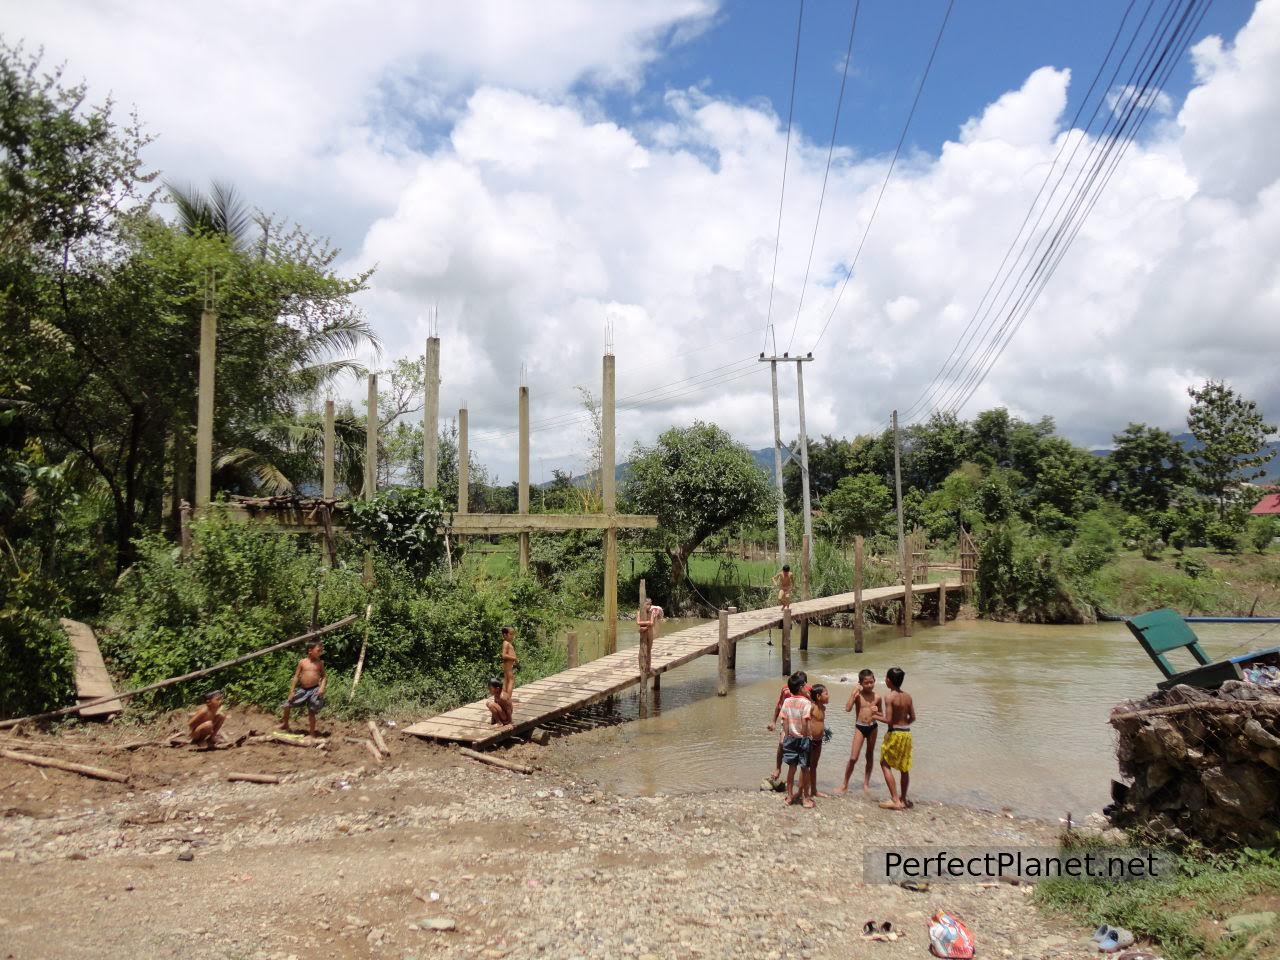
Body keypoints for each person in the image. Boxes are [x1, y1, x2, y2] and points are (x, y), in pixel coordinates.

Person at [839, 669, 883, 795]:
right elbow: (847, 709)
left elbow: (882, 714)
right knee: (853, 758)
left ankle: (866, 784)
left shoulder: (878, 697)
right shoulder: (858, 696)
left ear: (874, 681)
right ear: (860, 683)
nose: (869, 685)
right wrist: (853, 694)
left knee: (869, 755)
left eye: (871, 682)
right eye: (866, 683)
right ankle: (845, 784)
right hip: (860, 727)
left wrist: (876, 711)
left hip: (873, 727)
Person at [877, 666, 916, 810]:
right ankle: (903, 799)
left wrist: (874, 715)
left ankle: (895, 799)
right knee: (904, 768)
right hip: (907, 733)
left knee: (884, 764)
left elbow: (888, 720)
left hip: (894, 733)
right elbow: (912, 717)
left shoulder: (889, 697)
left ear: (888, 680)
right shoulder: (908, 696)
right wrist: (903, 725)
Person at [778, 672, 814, 808]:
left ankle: (789, 796)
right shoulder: (806, 703)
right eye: (805, 685)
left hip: (790, 738)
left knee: (791, 769)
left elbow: (785, 720)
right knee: (805, 769)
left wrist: (787, 736)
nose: (807, 687)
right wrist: (807, 736)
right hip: (803, 739)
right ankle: (806, 798)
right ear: (801, 687)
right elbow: (806, 722)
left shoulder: (787, 701)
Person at [767, 670, 809, 783]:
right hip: (788, 720)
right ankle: (778, 768)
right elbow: (779, 705)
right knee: (782, 743)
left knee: (804, 748)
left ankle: (803, 777)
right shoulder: (786, 689)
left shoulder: (808, 691)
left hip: (803, 723)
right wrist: (773, 721)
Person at [280, 640, 326, 737]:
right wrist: (292, 691)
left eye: (321, 651)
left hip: (314, 690)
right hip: (303, 690)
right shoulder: (302, 662)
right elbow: (296, 677)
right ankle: (285, 724)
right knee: (287, 705)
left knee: (311, 712)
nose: (320, 652)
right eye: (318, 650)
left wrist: (322, 688)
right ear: (310, 650)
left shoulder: (320, 663)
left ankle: (312, 733)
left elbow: (324, 677)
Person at [806, 684, 831, 800]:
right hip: (810, 741)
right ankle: (804, 791)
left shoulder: (823, 708)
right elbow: (805, 720)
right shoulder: (811, 707)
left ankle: (814, 790)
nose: (828, 696)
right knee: (805, 766)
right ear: (818, 696)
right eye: (826, 693)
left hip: (819, 741)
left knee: (814, 766)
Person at [500, 626, 518, 696]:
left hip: (508, 665)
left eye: (513, 634)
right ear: (505, 635)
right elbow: (504, 655)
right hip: (507, 666)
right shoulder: (506, 643)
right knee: (511, 680)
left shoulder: (507, 643)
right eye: (511, 634)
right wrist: (514, 658)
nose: (512, 636)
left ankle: (504, 697)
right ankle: (508, 699)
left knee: (506, 681)